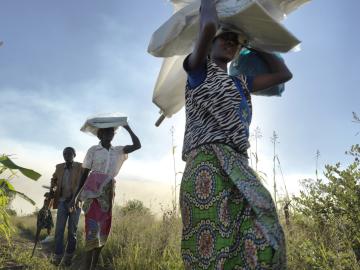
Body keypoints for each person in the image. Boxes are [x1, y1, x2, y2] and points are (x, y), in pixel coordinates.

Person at [179, 0, 293, 269]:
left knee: (265, 226)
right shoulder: (197, 71)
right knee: (210, 247)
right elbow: (207, 25)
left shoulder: (242, 83)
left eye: (235, 41)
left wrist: (254, 40)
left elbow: (283, 73)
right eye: (224, 38)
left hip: (237, 165)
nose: (230, 42)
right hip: (206, 167)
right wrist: (208, 4)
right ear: (208, 44)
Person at [71, 124, 141, 270]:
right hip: (92, 193)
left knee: (103, 230)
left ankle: (93, 266)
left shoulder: (118, 150)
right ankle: (85, 266)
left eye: (112, 131)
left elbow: (137, 145)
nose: (110, 133)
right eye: (106, 131)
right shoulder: (93, 150)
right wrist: (76, 196)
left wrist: (127, 127)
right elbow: (84, 174)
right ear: (100, 135)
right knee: (91, 230)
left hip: (108, 193)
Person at [49, 147, 83, 266]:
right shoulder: (59, 167)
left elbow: (84, 183)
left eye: (69, 153)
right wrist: (51, 191)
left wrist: (74, 197)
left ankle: (68, 258)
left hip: (75, 203)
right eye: (64, 153)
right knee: (59, 230)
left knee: (72, 231)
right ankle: (58, 257)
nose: (66, 155)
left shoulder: (81, 167)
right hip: (62, 202)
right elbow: (53, 180)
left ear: (74, 154)